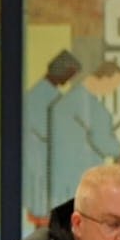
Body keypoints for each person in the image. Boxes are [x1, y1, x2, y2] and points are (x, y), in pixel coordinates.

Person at [47, 62, 120, 206]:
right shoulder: (92, 108)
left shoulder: (65, 101)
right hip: (82, 179)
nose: (112, 91)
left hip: (61, 178)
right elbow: (104, 143)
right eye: (114, 85)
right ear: (104, 79)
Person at [22, 49, 83, 226]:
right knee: (43, 206)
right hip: (42, 159)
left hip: (44, 159)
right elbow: (45, 130)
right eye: (69, 74)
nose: (68, 80)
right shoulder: (44, 96)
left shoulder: (43, 93)